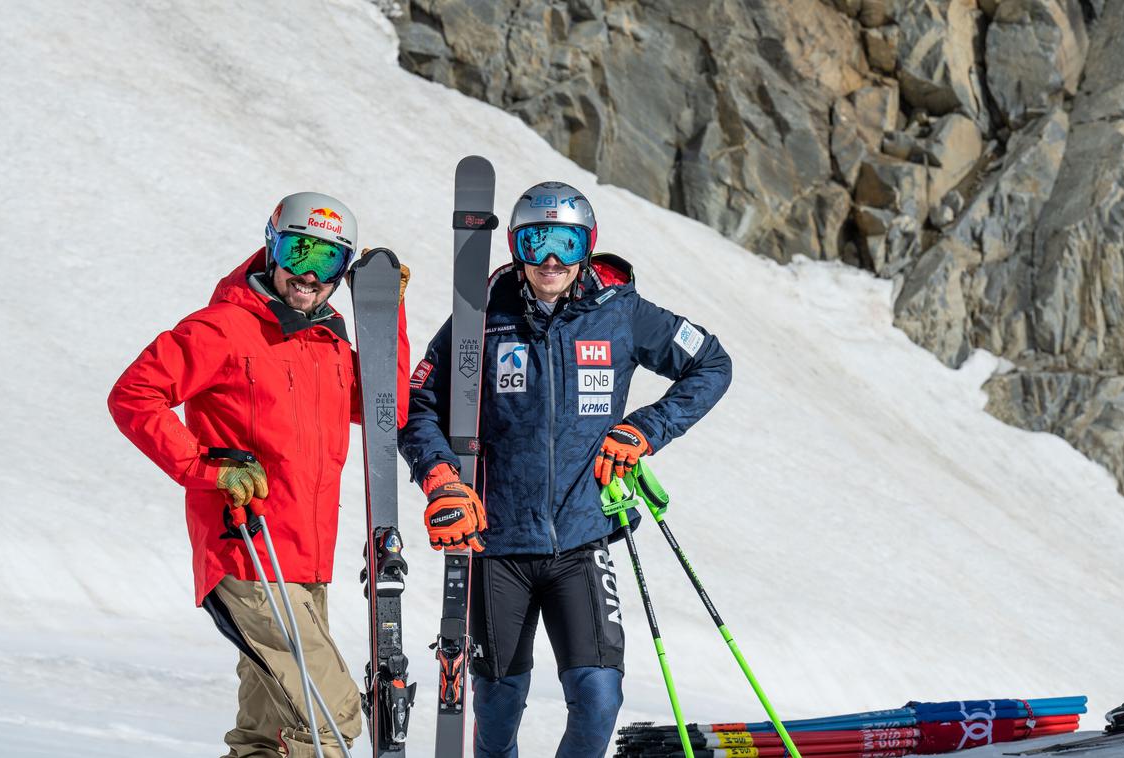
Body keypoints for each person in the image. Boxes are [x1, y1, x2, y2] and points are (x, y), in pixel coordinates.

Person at [398, 181, 732, 756]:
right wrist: (441, 478)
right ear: (514, 246)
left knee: (599, 700)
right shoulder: (480, 316)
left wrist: (645, 430)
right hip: (495, 543)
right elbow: (418, 404)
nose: (550, 259)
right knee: (497, 709)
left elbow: (710, 363)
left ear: (587, 246)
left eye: (566, 243)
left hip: (582, 539)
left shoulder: (620, 311)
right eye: (536, 241)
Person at [108, 192, 410, 758]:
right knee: (329, 713)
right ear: (272, 245)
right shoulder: (222, 328)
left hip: (305, 562)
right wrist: (204, 468)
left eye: (328, 262)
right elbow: (134, 395)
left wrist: (383, 318)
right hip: (246, 551)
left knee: (266, 736)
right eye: (298, 251)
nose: (308, 274)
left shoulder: (329, 342)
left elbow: (384, 411)